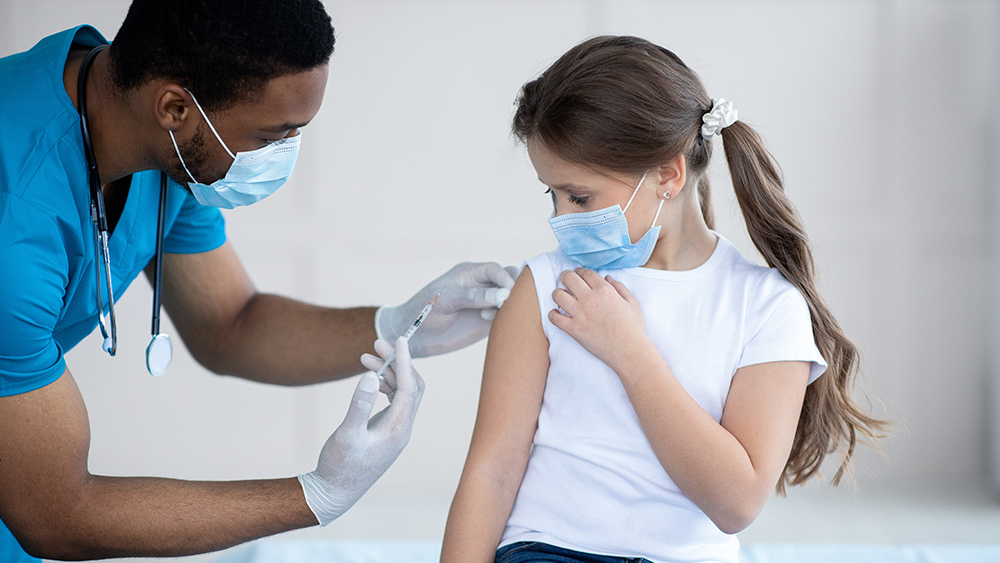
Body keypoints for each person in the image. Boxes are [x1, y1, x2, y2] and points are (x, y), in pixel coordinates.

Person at [0, 1, 514, 561]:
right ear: (174, 108)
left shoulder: (157, 140)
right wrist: (317, 495)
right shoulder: (15, 227)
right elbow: (57, 514)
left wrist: (398, 326)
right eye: (271, 137)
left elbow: (230, 323)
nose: (283, 154)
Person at [441, 36, 888, 563]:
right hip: (549, 550)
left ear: (668, 176)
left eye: (580, 197)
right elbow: (491, 471)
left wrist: (630, 352)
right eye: (552, 193)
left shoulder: (767, 307)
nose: (561, 217)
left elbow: (737, 502)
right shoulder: (546, 285)